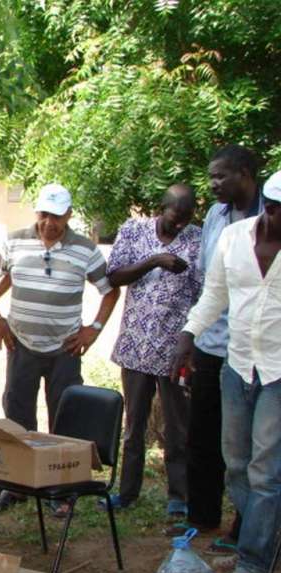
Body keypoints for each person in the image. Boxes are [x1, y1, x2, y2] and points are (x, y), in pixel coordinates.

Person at [171, 171, 281, 573]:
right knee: (236, 461)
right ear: (269, 209)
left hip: (277, 374)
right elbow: (214, 294)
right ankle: (260, 543)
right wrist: (187, 337)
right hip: (237, 365)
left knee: (266, 472)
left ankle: (254, 566)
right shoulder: (234, 238)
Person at [0, 183, 119, 514]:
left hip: (65, 349)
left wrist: (93, 330)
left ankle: (63, 491)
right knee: (17, 414)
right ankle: (18, 485)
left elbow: (109, 291)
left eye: (56, 216)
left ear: (68, 215)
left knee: (66, 417)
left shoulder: (85, 249)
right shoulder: (14, 240)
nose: (48, 223)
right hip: (21, 345)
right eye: (43, 214)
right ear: (36, 213)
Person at [104, 185, 201, 516]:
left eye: (186, 219)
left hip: (173, 350)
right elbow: (114, 276)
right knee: (134, 426)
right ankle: (127, 492)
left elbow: (203, 291)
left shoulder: (197, 239)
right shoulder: (134, 231)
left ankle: (178, 495)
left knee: (177, 426)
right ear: (163, 208)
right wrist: (155, 260)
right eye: (176, 217)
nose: (180, 225)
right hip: (135, 346)